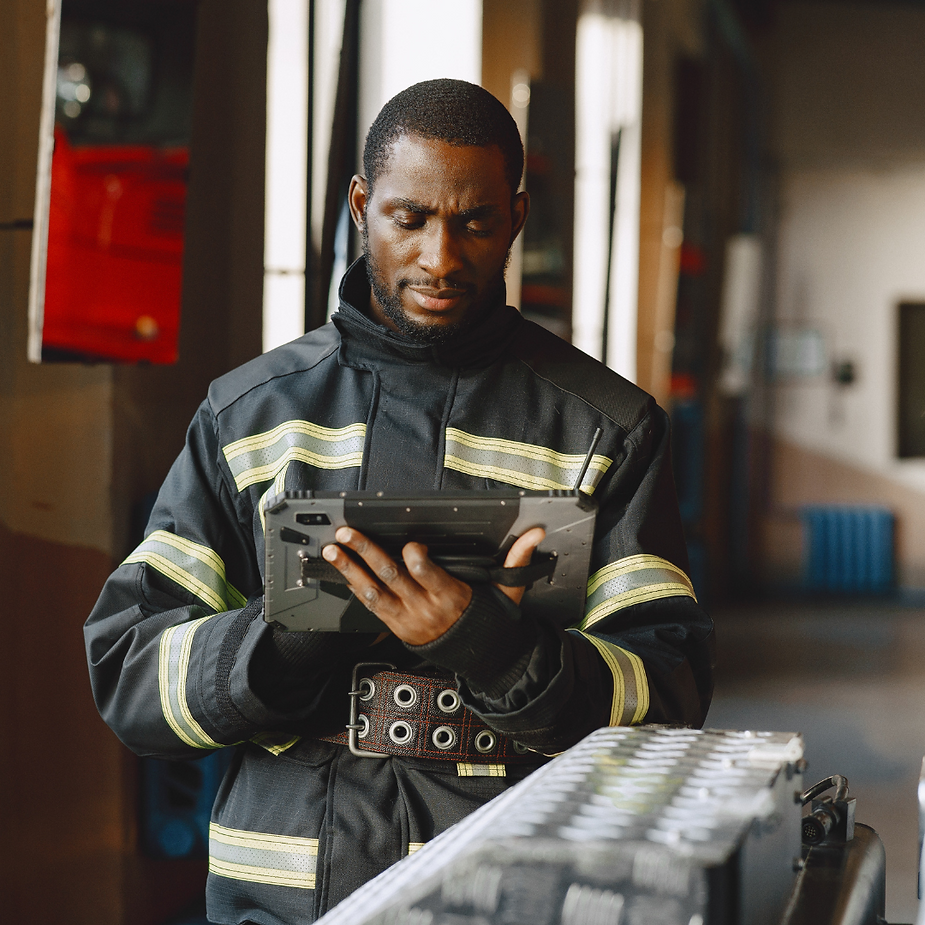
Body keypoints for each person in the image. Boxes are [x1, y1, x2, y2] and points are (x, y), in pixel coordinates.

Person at [84, 79, 714, 925]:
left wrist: (496, 651)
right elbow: (128, 669)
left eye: (474, 222)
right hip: (277, 897)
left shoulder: (603, 427)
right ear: (360, 205)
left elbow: (666, 689)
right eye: (408, 217)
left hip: (501, 893)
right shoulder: (247, 417)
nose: (440, 257)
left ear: (517, 217)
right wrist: (282, 643)